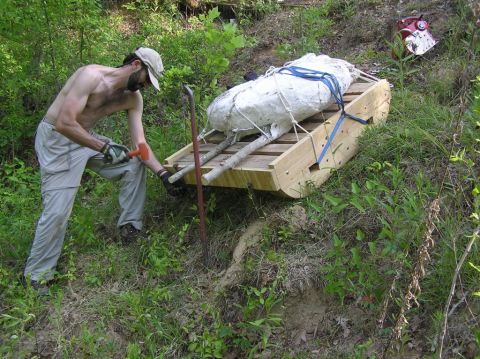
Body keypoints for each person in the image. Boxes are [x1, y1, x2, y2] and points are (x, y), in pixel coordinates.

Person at [24, 47, 184, 294]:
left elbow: (140, 145)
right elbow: (64, 123)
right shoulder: (90, 76)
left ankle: (130, 227)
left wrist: (162, 174)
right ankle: (37, 277)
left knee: (133, 163)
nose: (145, 87)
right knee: (57, 212)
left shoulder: (133, 98)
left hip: (85, 138)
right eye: (146, 79)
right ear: (135, 65)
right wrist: (104, 147)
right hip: (57, 141)